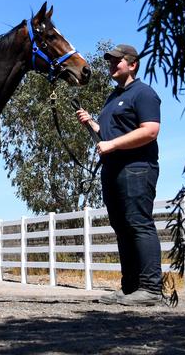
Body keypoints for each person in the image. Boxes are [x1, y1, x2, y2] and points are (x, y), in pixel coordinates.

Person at [76, 44, 163, 306]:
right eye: (110, 61)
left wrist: (112, 145)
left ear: (133, 64)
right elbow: (108, 133)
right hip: (112, 169)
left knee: (138, 224)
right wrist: (92, 123)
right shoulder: (113, 97)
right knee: (122, 227)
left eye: (117, 61)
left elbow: (150, 131)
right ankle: (129, 288)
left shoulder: (144, 94)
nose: (112, 65)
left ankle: (150, 289)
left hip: (136, 168)